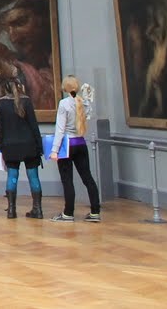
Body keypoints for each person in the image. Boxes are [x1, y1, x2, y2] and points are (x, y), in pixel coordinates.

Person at [50, 74, 102, 222]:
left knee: (67, 180)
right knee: (88, 178)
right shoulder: (83, 103)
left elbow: (60, 129)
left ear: (65, 88)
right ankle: (95, 212)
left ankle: (68, 213)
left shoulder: (64, 103)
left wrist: (54, 150)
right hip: (81, 143)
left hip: (67, 145)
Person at [0, 77, 44, 219]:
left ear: (4, 88)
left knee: (12, 176)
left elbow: (1, 129)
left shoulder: (1, 103)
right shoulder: (26, 101)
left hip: (10, 145)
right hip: (29, 144)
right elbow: (34, 125)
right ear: (19, 87)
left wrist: (1, 148)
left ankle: (11, 210)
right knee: (33, 176)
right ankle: (38, 210)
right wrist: (39, 146)